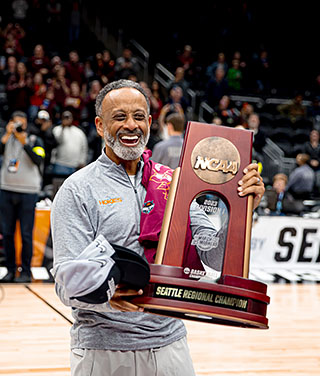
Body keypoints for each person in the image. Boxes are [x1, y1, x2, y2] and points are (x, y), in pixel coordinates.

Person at [50, 79, 265, 376]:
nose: (131, 125)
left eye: (139, 117)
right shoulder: (77, 190)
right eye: (119, 117)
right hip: (103, 350)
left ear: (150, 122)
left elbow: (212, 256)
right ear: (100, 126)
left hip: (170, 347)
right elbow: (64, 285)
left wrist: (243, 211)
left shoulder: (175, 183)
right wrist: (103, 293)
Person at [0, 111, 45, 283]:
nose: (19, 126)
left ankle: (25, 271)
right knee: (8, 233)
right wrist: (6, 135)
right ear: (10, 123)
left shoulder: (35, 140)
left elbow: (38, 159)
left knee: (26, 233)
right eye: (16, 123)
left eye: (22, 123)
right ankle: (10, 271)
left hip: (28, 191)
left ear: (26, 124)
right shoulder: (6, 139)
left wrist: (24, 142)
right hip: (6, 189)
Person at [51, 110, 88, 178]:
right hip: (60, 163)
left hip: (74, 165)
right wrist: (63, 127)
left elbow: (84, 147)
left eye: (68, 118)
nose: (67, 119)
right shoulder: (57, 129)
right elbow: (58, 141)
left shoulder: (79, 132)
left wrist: (82, 161)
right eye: (65, 118)